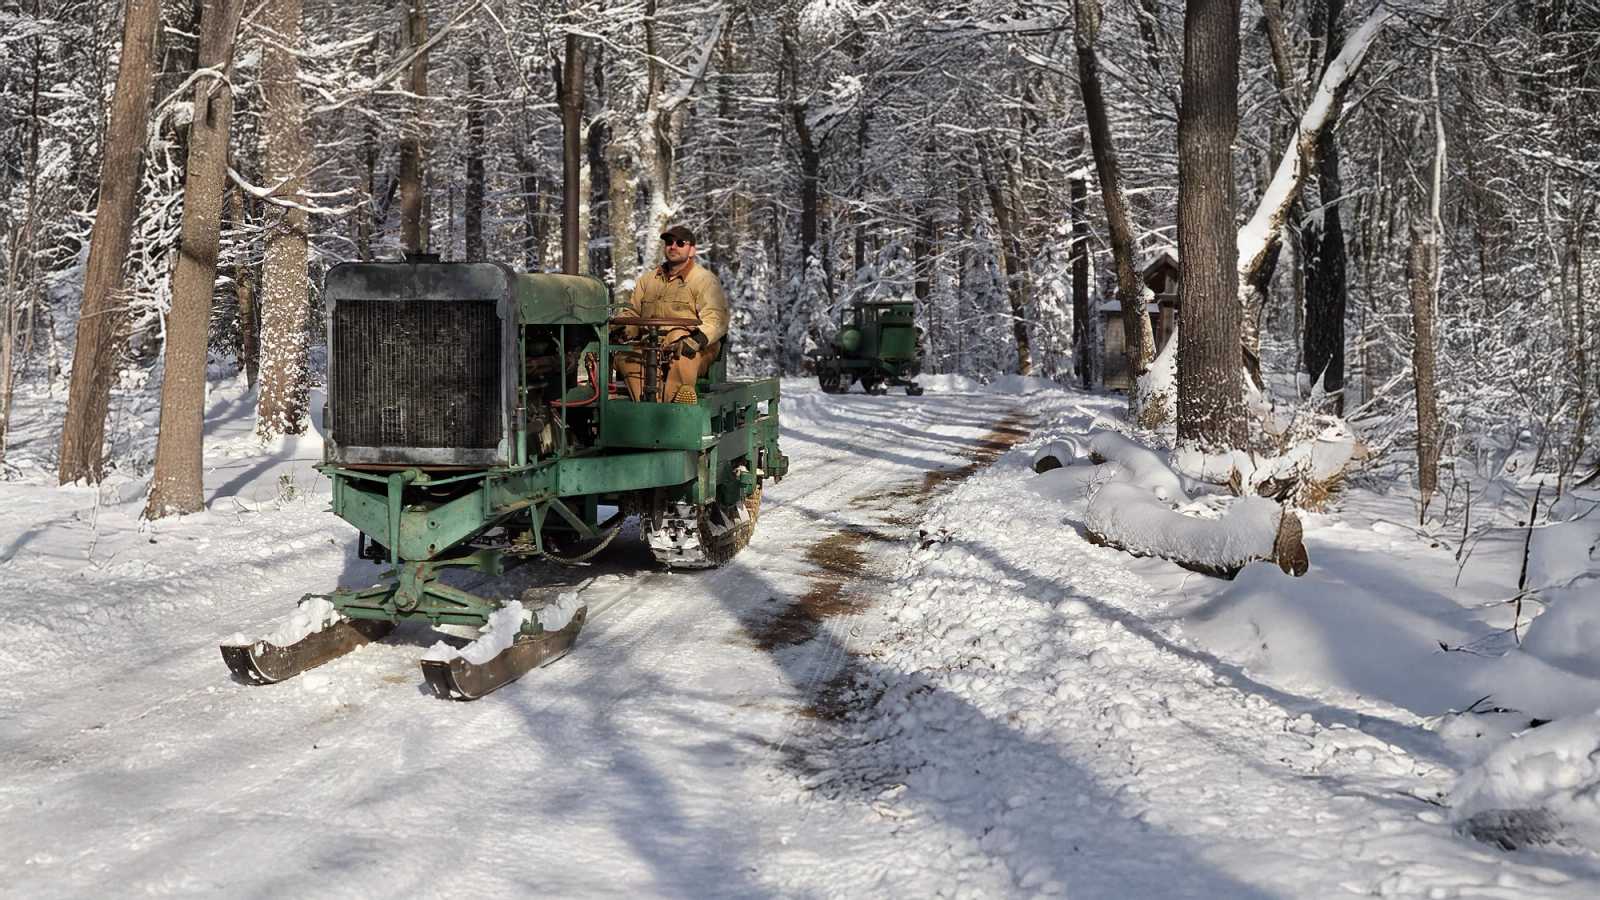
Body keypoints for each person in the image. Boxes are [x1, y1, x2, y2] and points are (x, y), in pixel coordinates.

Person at [614, 224, 729, 403]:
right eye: (669, 242)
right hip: (651, 346)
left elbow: (716, 319)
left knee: (682, 353)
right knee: (626, 357)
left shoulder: (704, 280)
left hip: (692, 347)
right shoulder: (648, 281)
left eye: (680, 243)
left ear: (691, 250)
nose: (673, 246)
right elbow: (633, 313)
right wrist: (620, 329)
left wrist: (696, 340)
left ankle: (675, 408)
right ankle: (646, 409)